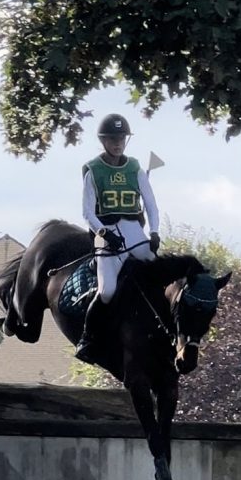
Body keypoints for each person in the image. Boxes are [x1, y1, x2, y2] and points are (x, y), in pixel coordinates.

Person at [75, 113, 161, 363]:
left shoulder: (135, 168)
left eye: (121, 138)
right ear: (103, 141)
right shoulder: (93, 170)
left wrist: (154, 232)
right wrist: (103, 233)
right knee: (107, 291)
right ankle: (88, 338)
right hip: (107, 232)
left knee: (158, 277)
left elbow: (151, 205)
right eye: (113, 138)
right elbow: (87, 212)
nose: (117, 143)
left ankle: (168, 331)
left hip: (134, 230)